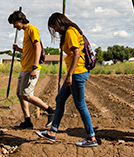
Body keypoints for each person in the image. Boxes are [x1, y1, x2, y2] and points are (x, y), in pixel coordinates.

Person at [35, 12, 97, 147]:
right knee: (59, 99)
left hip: (77, 73)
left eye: (54, 27)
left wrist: (69, 75)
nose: (55, 30)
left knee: (80, 105)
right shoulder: (70, 31)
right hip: (76, 73)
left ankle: (91, 138)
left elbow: (76, 54)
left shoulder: (70, 32)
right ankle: (52, 132)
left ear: (59, 22)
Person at [8, 10, 55, 129]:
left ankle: (51, 111)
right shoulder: (25, 32)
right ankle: (27, 121)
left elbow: (37, 48)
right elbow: (29, 51)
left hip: (31, 68)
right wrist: (19, 49)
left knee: (27, 95)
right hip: (25, 67)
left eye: (14, 23)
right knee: (20, 94)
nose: (14, 26)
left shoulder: (32, 29)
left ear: (20, 20)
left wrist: (34, 67)